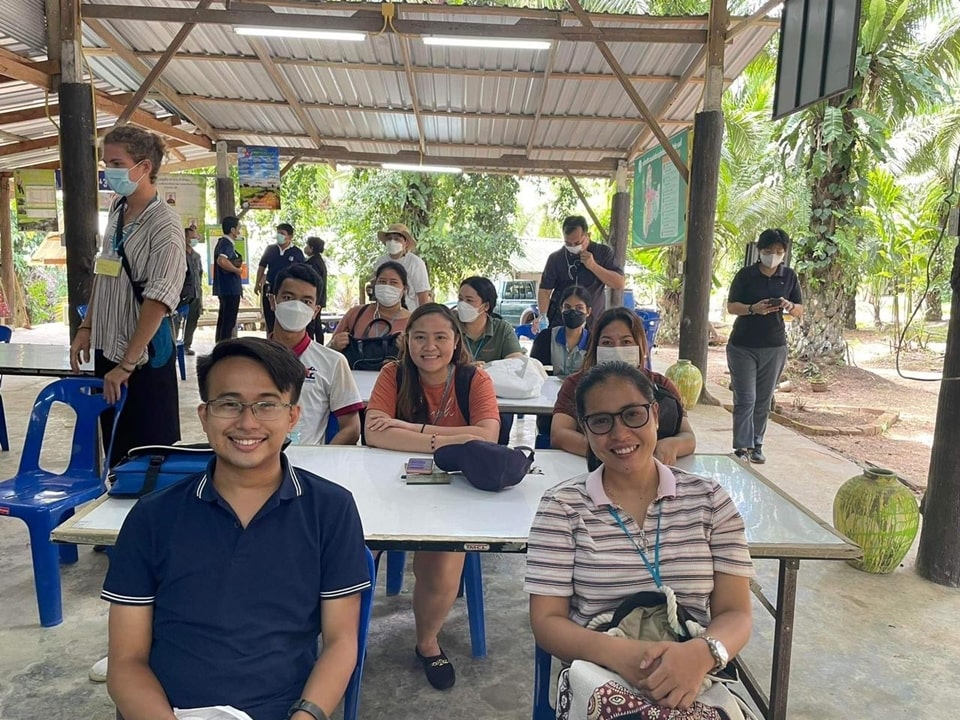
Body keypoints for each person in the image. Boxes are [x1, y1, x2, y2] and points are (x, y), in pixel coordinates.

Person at [102, 337, 371, 720]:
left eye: (266, 405)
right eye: (229, 404)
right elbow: (126, 661)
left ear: (292, 416)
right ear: (204, 414)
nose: (248, 422)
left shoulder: (330, 510)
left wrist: (306, 715)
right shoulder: (152, 517)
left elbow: (341, 642)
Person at [525, 362, 754, 714]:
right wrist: (623, 655)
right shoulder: (562, 508)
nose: (619, 433)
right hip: (600, 671)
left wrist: (702, 654)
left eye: (633, 414)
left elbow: (736, 613)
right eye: (601, 421)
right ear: (585, 430)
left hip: (695, 671)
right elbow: (546, 622)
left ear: (656, 416)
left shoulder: (710, 500)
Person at [364, 303, 500, 690]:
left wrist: (407, 430)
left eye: (441, 337)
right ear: (406, 341)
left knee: (441, 566)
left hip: (455, 491)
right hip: (388, 486)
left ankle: (427, 642)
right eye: (419, 337)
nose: (429, 346)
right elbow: (374, 432)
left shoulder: (474, 380)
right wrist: (449, 439)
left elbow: (487, 435)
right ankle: (340, 642)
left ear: (456, 342)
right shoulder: (394, 373)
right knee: (352, 549)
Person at [69, 125, 184, 467]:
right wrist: (87, 328)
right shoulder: (118, 210)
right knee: (117, 455)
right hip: (109, 354)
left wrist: (126, 365)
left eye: (117, 163)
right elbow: (104, 275)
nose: (109, 171)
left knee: (148, 460)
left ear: (145, 167)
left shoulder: (165, 225)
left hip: (142, 361)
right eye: (106, 163)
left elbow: (159, 300)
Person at [551, 307, 696, 466]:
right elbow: (559, 433)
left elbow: (688, 436)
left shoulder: (661, 385)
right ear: (595, 347)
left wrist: (672, 445)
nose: (616, 349)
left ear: (640, 345)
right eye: (607, 342)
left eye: (626, 342)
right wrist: (610, 450)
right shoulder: (576, 384)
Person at [725, 228, 803, 464]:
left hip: (774, 346)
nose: (774, 255)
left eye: (779, 251)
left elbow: (800, 310)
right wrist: (752, 308)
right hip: (743, 345)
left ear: (785, 253)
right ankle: (742, 446)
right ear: (760, 251)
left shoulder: (789, 276)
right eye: (769, 251)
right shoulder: (745, 275)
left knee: (763, 399)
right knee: (746, 398)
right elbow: (731, 306)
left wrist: (788, 305)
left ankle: (757, 443)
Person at [270, 263, 363, 446]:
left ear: (315, 311)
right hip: (257, 465)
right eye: (288, 298)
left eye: (306, 302)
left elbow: (351, 428)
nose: (296, 307)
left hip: (307, 466)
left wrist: (320, 460)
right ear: (273, 301)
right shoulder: (249, 359)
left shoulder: (333, 362)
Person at [456, 276, 525, 444]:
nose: (462, 305)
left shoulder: (502, 329)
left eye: (469, 300)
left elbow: (517, 364)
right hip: (456, 392)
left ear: (485, 306)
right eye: (460, 299)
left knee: (500, 421)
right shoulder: (450, 324)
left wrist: (487, 369)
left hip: (494, 397)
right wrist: (465, 369)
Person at [533, 215, 624, 333]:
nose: (572, 247)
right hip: (561, 321)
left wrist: (593, 266)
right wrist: (543, 316)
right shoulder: (556, 258)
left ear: (588, 236)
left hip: (593, 322)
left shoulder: (602, 252)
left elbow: (619, 283)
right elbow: (545, 290)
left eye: (577, 243)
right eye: (568, 243)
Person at [328, 261, 412, 356]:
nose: (387, 286)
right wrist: (334, 346)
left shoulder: (413, 322)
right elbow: (327, 352)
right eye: (382, 282)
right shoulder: (356, 314)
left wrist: (409, 351)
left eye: (393, 283)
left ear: (404, 289)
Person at [530, 285, 592, 379]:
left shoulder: (593, 342)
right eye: (567, 307)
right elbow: (533, 371)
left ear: (588, 311)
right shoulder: (545, 338)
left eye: (579, 308)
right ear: (561, 309)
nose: (573, 312)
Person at [256, 222, 306, 334]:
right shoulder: (270, 249)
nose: (279, 235)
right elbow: (262, 266)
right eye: (278, 233)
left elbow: (302, 272)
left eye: (282, 233)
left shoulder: (297, 253)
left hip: (288, 291)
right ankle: (270, 342)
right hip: (270, 288)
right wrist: (257, 284)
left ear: (290, 236)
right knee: (270, 318)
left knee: (285, 319)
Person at [374, 223, 430, 310]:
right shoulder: (380, 262)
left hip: (409, 313)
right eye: (389, 239)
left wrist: (422, 316)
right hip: (383, 313)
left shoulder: (415, 263)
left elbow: (423, 295)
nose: (392, 242)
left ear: (406, 243)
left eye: (397, 239)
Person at [212, 216, 244, 343]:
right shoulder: (226, 243)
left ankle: (220, 344)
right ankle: (224, 347)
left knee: (224, 319)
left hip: (226, 288)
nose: (239, 231)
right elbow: (221, 260)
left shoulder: (224, 243)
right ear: (232, 230)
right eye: (238, 228)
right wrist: (236, 270)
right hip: (230, 288)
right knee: (228, 321)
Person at [181, 226, 204, 356]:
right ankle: (174, 345)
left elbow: (199, 275)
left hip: (195, 293)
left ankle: (186, 345)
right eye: (192, 238)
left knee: (193, 320)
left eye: (196, 237)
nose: (194, 240)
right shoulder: (179, 254)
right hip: (182, 294)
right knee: (177, 320)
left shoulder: (197, 256)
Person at [304, 236, 329, 344]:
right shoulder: (319, 261)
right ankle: (319, 344)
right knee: (317, 323)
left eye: (307, 246)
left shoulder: (313, 263)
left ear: (312, 248)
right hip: (319, 297)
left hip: (315, 298)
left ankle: (311, 345)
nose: (305, 248)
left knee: (311, 324)